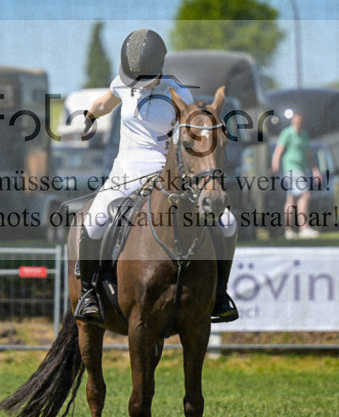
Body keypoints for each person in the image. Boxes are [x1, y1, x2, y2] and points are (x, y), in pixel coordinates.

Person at [74, 28, 239, 326]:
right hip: (125, 169)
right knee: (95, 221)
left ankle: (220, 293)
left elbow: (191, 132)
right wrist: (89, 116)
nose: (135, 83)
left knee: (227, 222)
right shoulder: (122, 85)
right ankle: (89, 293)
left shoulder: (178, 93)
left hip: (162, 169)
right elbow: (102, 104)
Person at [271, 110, 322, 239]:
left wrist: (315, 170)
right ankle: (303, 228)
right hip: (291, 168)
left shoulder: (304, 134)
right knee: (305, 195)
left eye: (300, 121)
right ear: (292, 120)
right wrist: (275, 165)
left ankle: (288, 230)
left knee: (291, 200)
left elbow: (308, 154)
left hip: (302, 169)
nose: (298, 123)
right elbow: (278, 151)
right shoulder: (287, 133)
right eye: (296, 121)